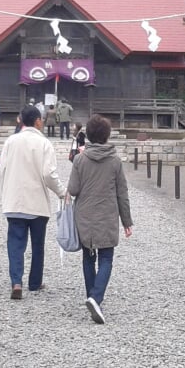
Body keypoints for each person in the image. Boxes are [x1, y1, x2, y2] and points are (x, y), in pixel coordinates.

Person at [66, 114, 133, 324]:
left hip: (84, 215)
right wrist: (127, 222)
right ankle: (96, 297)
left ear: (89, 136)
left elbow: (73, 189)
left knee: (88, 257)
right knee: (106, 259)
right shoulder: (115, 161)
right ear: (106, 136)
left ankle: (92, 296)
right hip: (107, 214)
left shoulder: (80, 159)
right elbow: (122, 193)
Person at [0, 104, 66, 300]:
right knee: (38, 244)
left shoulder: (11, 141)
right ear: (37, 121)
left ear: (21, 120)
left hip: (14, 201)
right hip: (37, 202)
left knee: (15, 243)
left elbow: (2, 170)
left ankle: (16, 282)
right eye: (42, 120)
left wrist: (5, 194)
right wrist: (62, 193)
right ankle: (35, 282)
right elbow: (48, 174)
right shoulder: (44, 144)